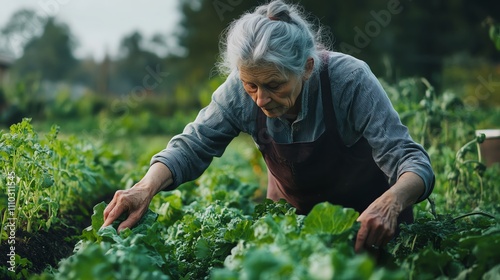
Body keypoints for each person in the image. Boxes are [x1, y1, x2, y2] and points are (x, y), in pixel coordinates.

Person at [102, 0, 434, 253]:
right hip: (295, 229)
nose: (260, 99)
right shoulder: (239, 89)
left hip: (372, 228)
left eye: (274, 85)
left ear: (306, 68)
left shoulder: (349, 81)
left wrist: (389, 204)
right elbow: (192, 145)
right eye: (251, 86)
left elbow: (411, 161)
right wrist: (144, 188)